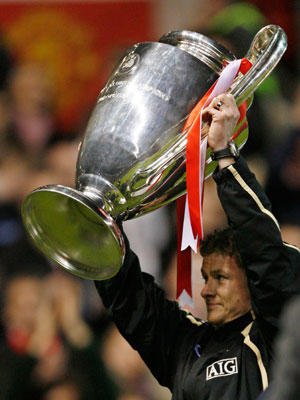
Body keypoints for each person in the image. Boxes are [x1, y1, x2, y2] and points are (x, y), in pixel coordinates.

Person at [94, 93, 300, 399]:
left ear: (251, 281)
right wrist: (97, 227)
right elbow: (132, 303)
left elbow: (263, 250)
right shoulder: (185, 347)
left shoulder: (276, 333)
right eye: (206, 278)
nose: (205, 290)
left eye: (221, 278)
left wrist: (224, 154)